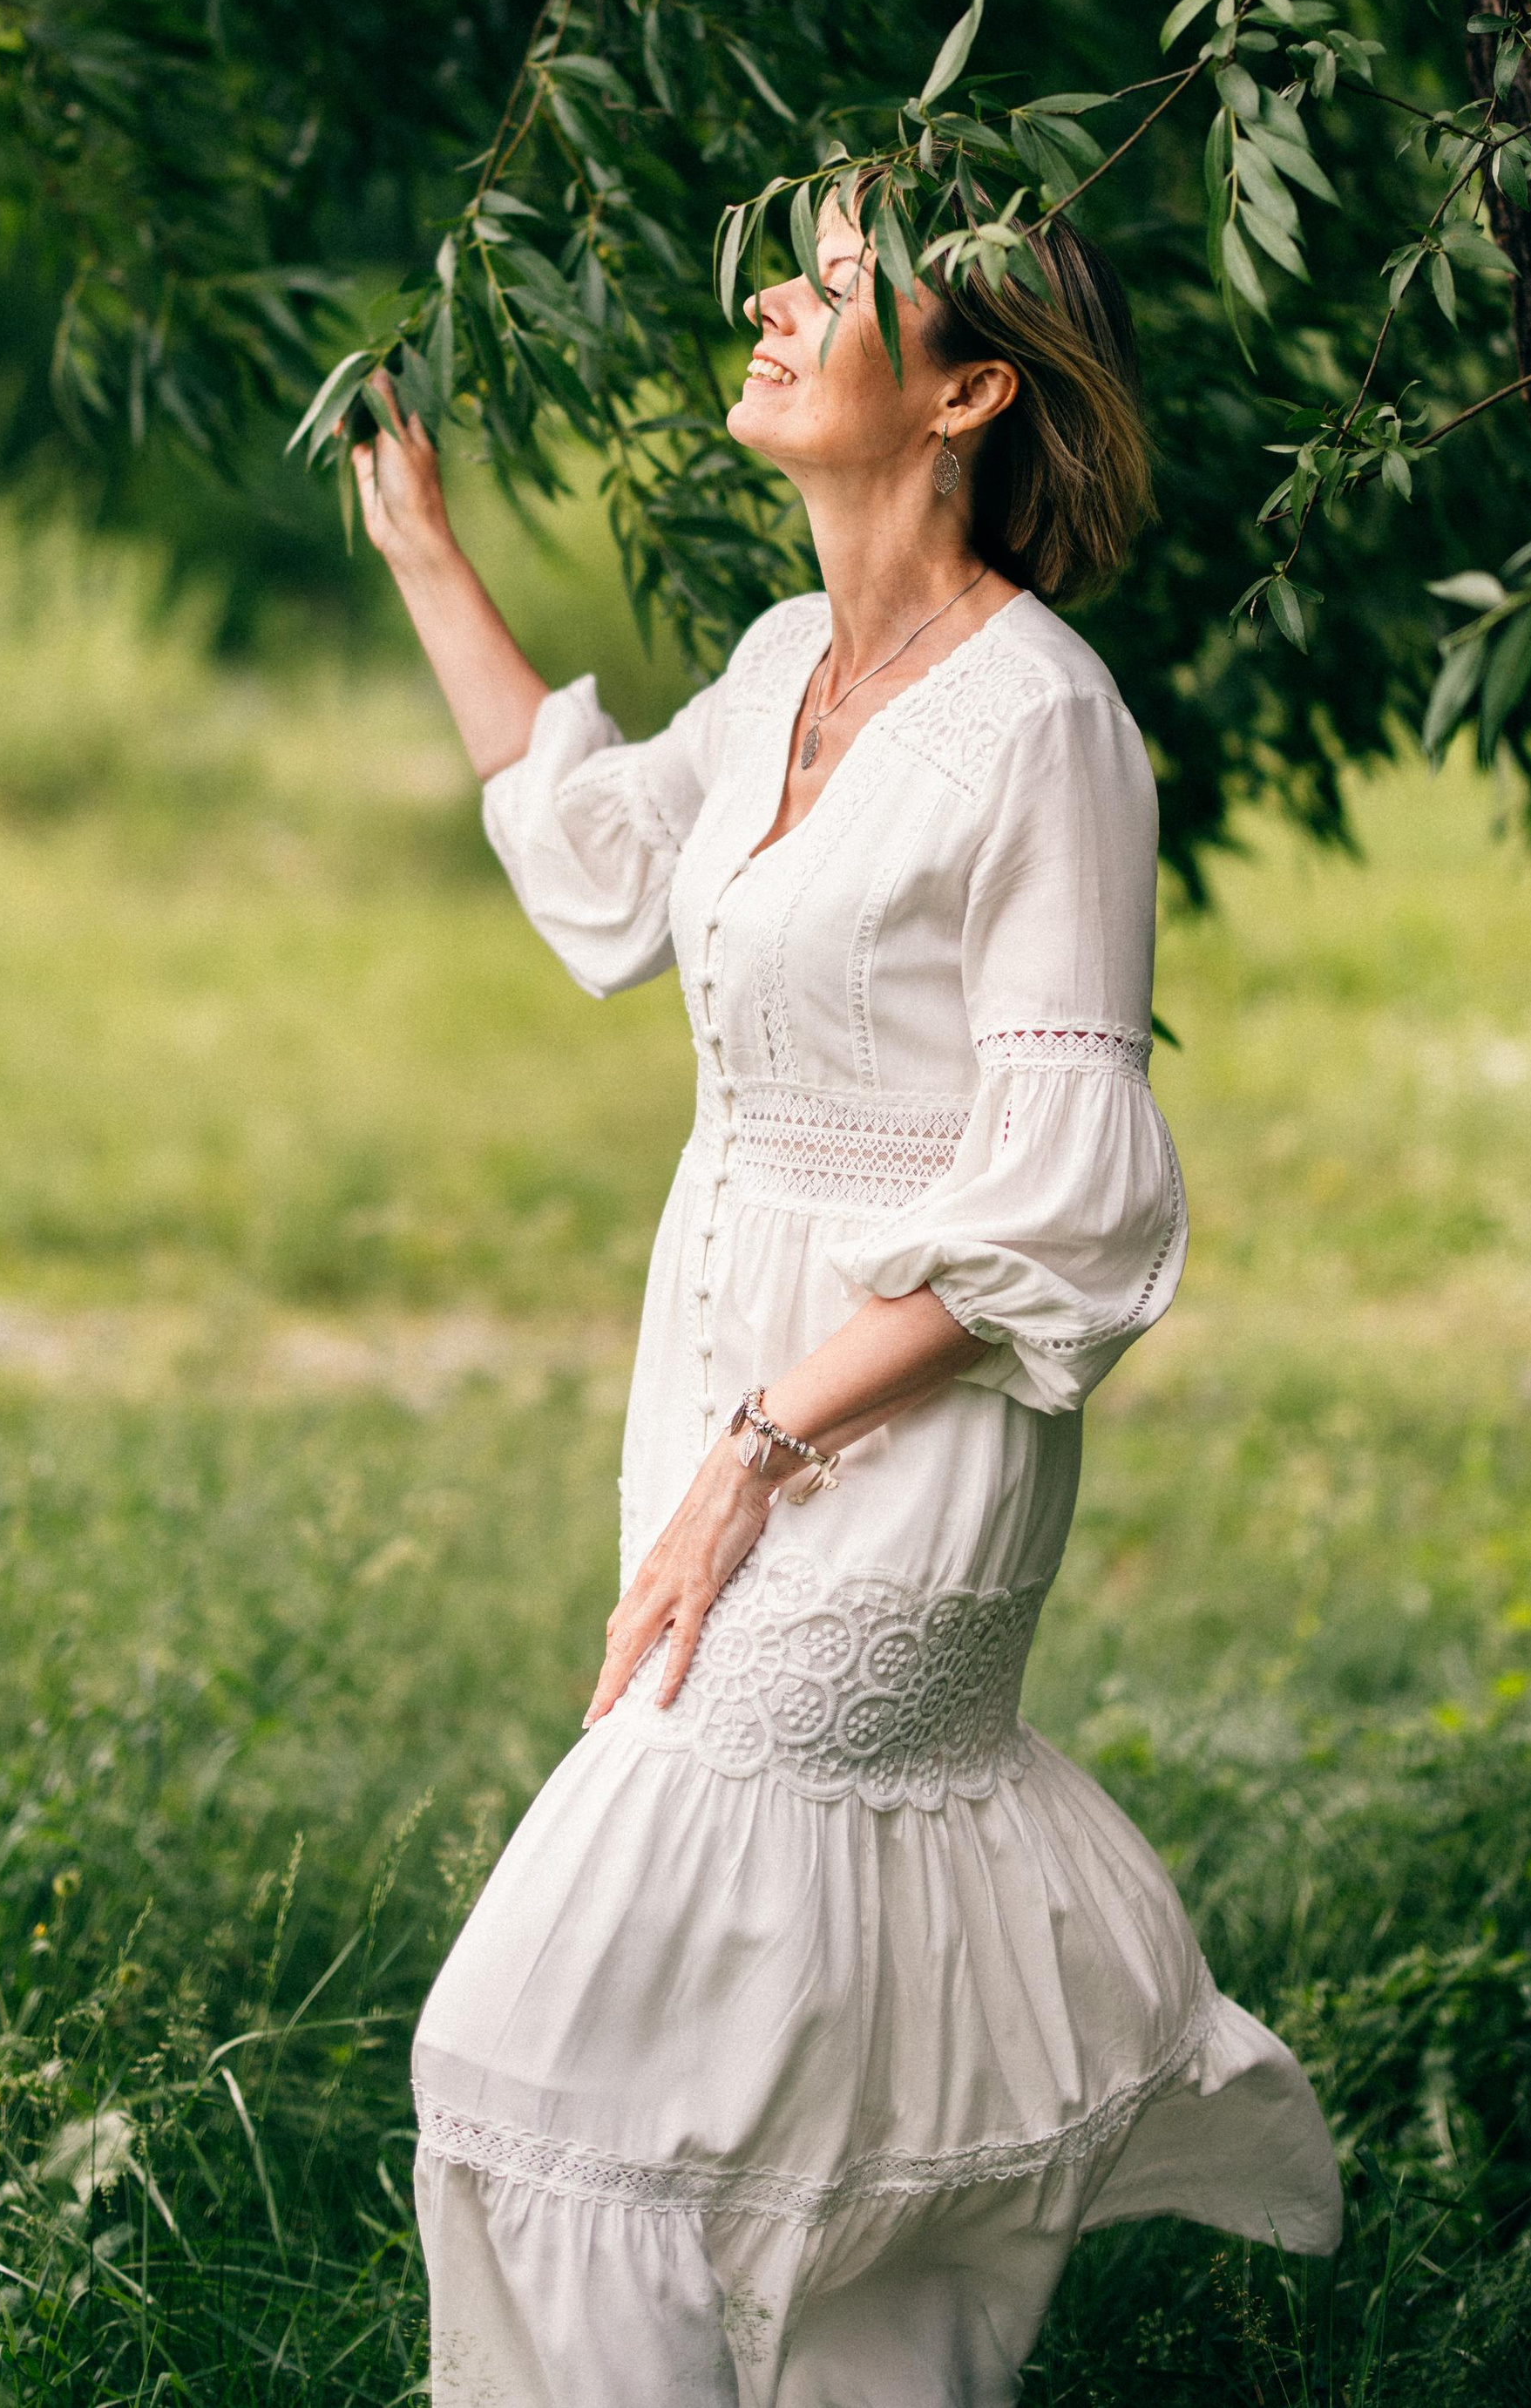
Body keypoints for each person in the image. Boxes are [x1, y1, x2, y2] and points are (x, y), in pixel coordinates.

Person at [341, 198, 1341, 2407]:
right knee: (804, 2058)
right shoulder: (788, 652)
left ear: (967, 388)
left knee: (540, 2043)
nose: (772, 304)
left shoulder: (1043, 726)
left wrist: (763, 1449)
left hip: (894, 1424)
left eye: (829, 277)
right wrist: (421, 547)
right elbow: (602, 857)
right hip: (714, 1387)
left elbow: (1063, 1198)